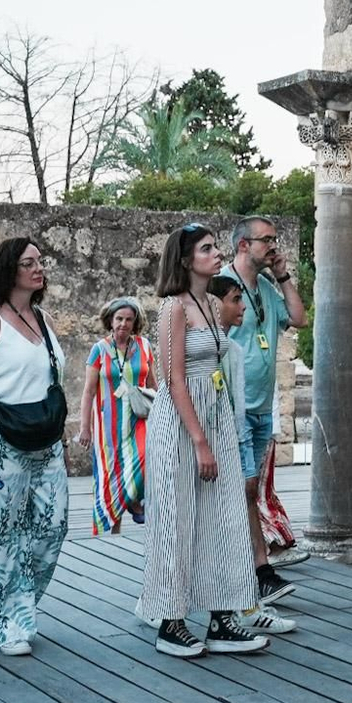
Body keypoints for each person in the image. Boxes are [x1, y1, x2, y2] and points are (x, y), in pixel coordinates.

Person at [140, 224, 268, 659]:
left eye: (216, 247)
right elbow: (172, 380)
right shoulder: (173, 309)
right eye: (207, 249)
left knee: (223, 517)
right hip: (181, 423)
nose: (217, 255)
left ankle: (221, 615)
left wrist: (221, 429)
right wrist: (198, 441)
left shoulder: (213, 305)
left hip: (213, 415)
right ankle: (170, 620)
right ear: (185, 259)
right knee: (178, 519)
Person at [0, 237, 71, 655]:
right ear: (9, 269)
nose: (38, 268)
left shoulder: (40, 317)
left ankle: (20, 606)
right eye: (29, 262)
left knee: (51, 527)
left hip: (44, 439)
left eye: (40, 261)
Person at [223, 217, 305, 607]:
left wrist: (284, 275)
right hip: (232, 407)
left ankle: (249, 568)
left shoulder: (269, 289)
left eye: (275, 238)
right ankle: (258, 569)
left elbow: (299, 317)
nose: (273, 245)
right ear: (243, 245)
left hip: (261, 408)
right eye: (266, 240)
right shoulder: (222, 287)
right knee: (245, 487)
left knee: (248, 491)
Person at [80, 297, 152, 536]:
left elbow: (154, 385)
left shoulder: (144, 346)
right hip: (108, 423)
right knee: (111, 475)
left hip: (140, 419)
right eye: (119, 319)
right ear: (110, 321)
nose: (124, 324)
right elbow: (88, 391)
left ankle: (133, 499)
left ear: (135, 322)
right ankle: (112, 533)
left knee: (146, 455)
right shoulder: (99, 349)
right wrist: (85, 428)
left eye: (129, 319)